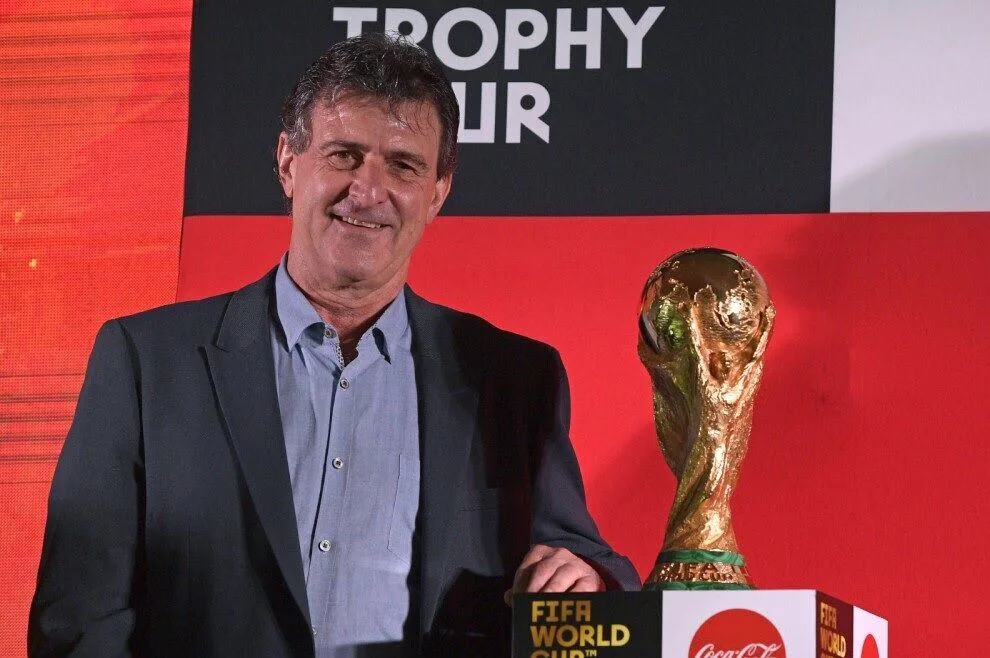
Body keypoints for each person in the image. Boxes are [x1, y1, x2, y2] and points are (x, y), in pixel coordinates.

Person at [29, 33, 639, 658]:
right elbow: (78, 619)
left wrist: (588, 582)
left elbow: (585, 566)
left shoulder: (516, 379)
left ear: (438, 192)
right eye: (344, 155)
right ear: (288, 163)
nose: (368, 190)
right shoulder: (146, 362)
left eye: (403, 165)